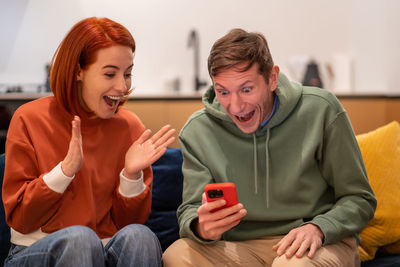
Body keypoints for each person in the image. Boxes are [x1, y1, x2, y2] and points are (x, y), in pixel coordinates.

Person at [163, 28, 376, 266]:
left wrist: (319, 227)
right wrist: (202, 227)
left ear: (272, 78)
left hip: (317, 241)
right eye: (223, 92)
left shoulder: (322, 110)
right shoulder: (198, 131)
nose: (235, 107)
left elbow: (360, 198)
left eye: (246, 89)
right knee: (176, 255)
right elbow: (190, 209)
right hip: (241, 248)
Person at [2, 17, 175, 267]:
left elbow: (129, 225)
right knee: (80, 240)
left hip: (105, 246)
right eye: (109, 74)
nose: (122, 86)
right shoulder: (29, 118)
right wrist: (65, 171)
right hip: (35, 250)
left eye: (127, 74)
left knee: (142, 237)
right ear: (78, 71)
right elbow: (21, 219)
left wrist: (131, 174)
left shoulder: (129, 126)